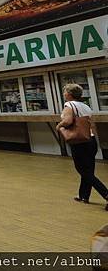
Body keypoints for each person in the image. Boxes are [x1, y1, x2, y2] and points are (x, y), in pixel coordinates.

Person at [57, 83, 108, 211]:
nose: (64, 94)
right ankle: (84, 195)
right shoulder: (86, 106)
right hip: (90, 141)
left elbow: (68, 121)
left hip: (79, 141)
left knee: (83, 171)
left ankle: (106, 194)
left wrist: (59, 126)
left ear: (69, 94)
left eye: (65, 92)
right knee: (88, 170)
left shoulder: (69, 105)